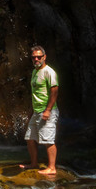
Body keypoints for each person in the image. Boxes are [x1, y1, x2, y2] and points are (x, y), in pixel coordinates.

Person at [25, 45, 59, 177]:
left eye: (39, 57)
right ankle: (34, 163)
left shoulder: (49, 72)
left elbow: (54, 92)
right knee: (29, 137)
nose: (36, 59)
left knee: (48, 140)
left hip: (47, 111)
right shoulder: (35, 72)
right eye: (34, 57)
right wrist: (31, 111)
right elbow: (35, 93)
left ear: (44, 57)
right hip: (36, 111)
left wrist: (48, 110)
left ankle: (52, 167)